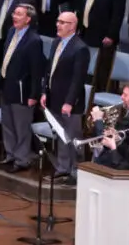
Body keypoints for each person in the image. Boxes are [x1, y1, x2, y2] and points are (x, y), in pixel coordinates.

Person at [41, 12, 89, 184]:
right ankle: (62, 168)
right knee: (61, 136)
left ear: (72, 26)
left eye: (62, 22)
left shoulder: (80, 48)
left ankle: (76, 172)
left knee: (74, 138)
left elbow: (78, 79)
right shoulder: (56, 42)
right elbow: (49, 70)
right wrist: (44, 91)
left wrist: (69, 102)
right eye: (58, 21)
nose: (58, 25)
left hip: (70, 103)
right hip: (54, 97)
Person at [0, 4, 44, 172]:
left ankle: (22, 160)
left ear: (28, 19)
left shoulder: (34, 40)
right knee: (8, 124)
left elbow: (37, 71)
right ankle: (10, 155)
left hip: (23, 91)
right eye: (14, 13)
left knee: (21, 127)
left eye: (18, 14)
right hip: (6, 86)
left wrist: (34, 94)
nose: (14, 16)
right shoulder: (11, 32)